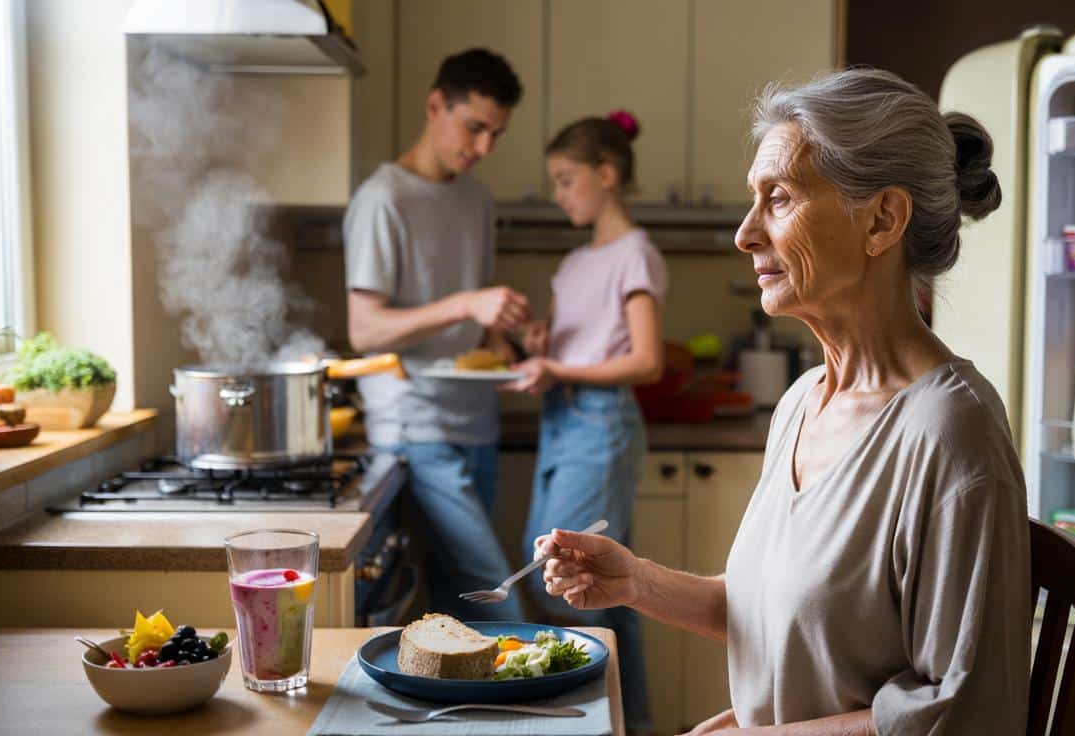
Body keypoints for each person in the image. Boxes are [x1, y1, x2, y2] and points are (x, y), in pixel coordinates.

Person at [534, 68, 1031, 735]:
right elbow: (777, 612)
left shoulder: (951, 434)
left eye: (780, 199)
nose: (745, 233)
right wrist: (634, 582)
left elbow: (962, 714)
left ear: (882, 218)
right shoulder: (802, 403)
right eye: (753, 199)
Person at [344, 48, 529, 621]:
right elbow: (364, 329)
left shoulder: (477, 198)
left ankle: (473, 714)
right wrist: (465, 304)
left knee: (461, 609)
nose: (482, 149)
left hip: (477, 421)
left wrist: (500, 339)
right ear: (434, 105)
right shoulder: (383, 199)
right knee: (499, 604)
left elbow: (473, 308)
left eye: (495, 135)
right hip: (414, 425)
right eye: (474, 128)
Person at [505, 110, 666, 735]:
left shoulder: (635, 254)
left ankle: (596, 722)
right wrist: (533, 341)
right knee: (587, 582)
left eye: (567, 179)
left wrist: (560, 367)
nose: (559, 193)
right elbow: (563, 350)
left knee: (567, 575)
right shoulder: (574, 263)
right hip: (561, 422)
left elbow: (646, 360)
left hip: (602, 426)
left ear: (607, 174)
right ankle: (625, 724)